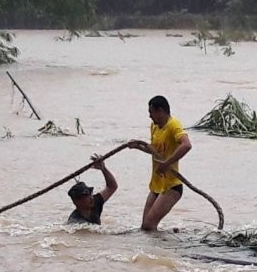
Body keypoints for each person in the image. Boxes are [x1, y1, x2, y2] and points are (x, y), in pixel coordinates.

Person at [128, 95, 192, 231]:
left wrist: (167, 163)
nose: (150, 117)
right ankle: (156, 251)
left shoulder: (173, 125)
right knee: (145, 228)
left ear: (160, 111)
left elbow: (186, 145)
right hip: (156, 184)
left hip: (171, 186)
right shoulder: (154, 127)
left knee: (149, 225)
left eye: (151, 113)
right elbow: (155, 151)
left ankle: (166, 250)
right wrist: (138, 146)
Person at [67, 154, 118, 224]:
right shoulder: (75, 221)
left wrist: (103, 169)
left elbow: (112, 187)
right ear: (76, 202)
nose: (91, 198)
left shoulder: (94, 202)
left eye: (91, 194)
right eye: (86, 196)